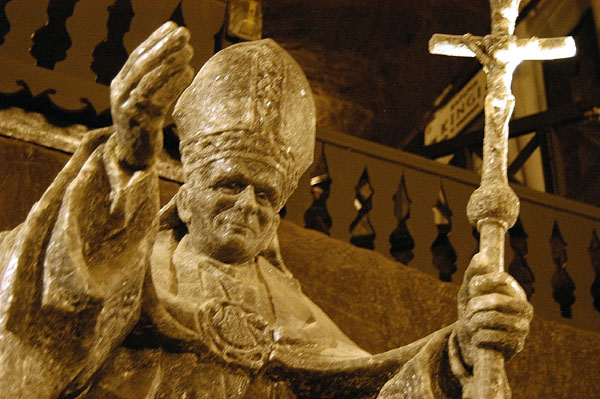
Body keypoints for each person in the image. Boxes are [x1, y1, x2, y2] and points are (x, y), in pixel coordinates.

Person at [0, 23, 532, 398]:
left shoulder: (296, 315)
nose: (247, 205)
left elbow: (373, 387)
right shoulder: (128, 264)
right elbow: (54, 311)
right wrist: (129, 154)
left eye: (266, 195)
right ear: (185, 193)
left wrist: (461, 351)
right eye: (230, 185)